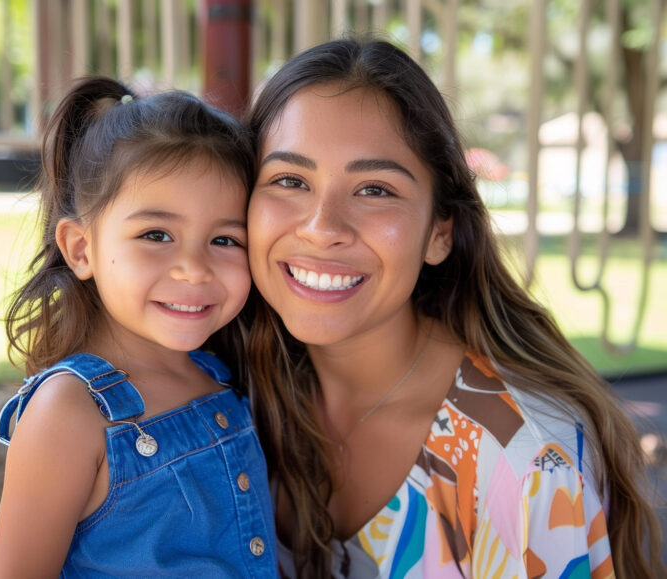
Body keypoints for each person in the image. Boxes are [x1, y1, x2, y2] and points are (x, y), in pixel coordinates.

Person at [244, 37, 664, 578]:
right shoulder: (226, 392)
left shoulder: (526, 461)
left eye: (374, 189)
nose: (323, 228)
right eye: (290, 180)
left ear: (440, 232)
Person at [0, 76, 276, 578]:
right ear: (82, 249)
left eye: (226, 239)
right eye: (156, 234)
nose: (194, 268)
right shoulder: (69, 414)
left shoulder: (223, 376)